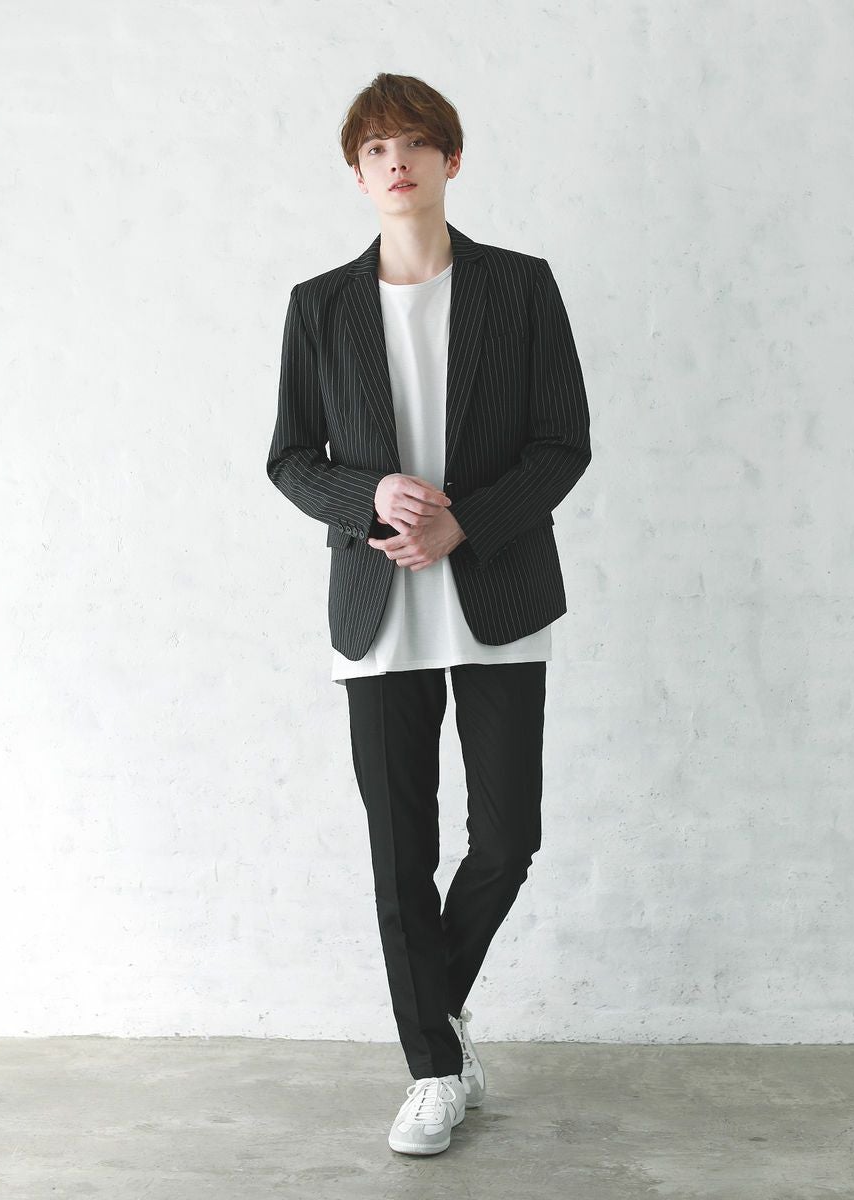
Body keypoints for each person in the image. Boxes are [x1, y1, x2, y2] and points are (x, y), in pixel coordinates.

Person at [266, 72, 591, 1155]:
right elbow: (290, 459)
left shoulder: (520, 287)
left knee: (507, 837)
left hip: (498, 590)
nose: (395, 162)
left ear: (452, 159)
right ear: (356, 175)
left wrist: (467, 523)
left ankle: (432, 1022)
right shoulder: (319, 305)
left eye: (413, 143)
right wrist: (369, 495)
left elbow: (563, 443)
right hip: (377, 604)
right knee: (400, 852)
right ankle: (434, 1071)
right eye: (374, 150)